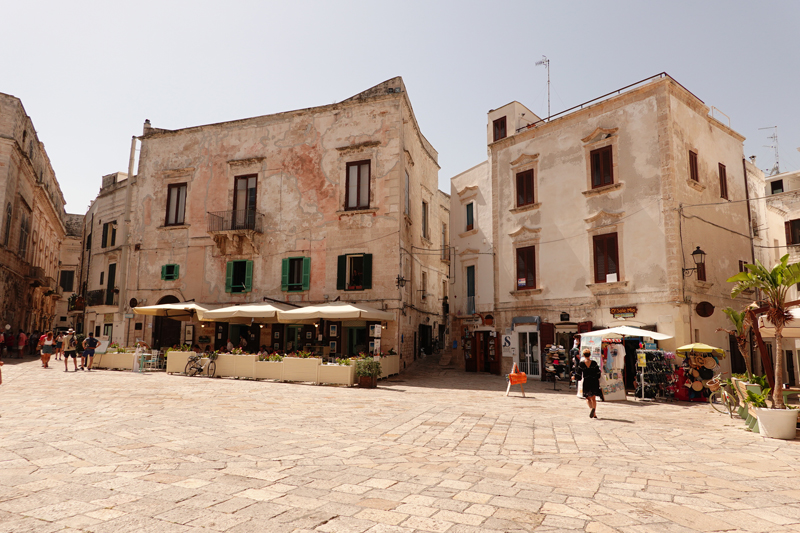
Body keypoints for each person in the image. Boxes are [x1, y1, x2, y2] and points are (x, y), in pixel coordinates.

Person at [576, 349, 602, 418]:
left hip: (587, 381)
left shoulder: (581, 364)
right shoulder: (594, 363)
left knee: (587, 398)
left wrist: (576, 378)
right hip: (594, 381)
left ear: (583, 355)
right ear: (590, 355)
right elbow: (598, 372)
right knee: (593, 398)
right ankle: (594, 413)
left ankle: (591, 409)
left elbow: (578, 373)